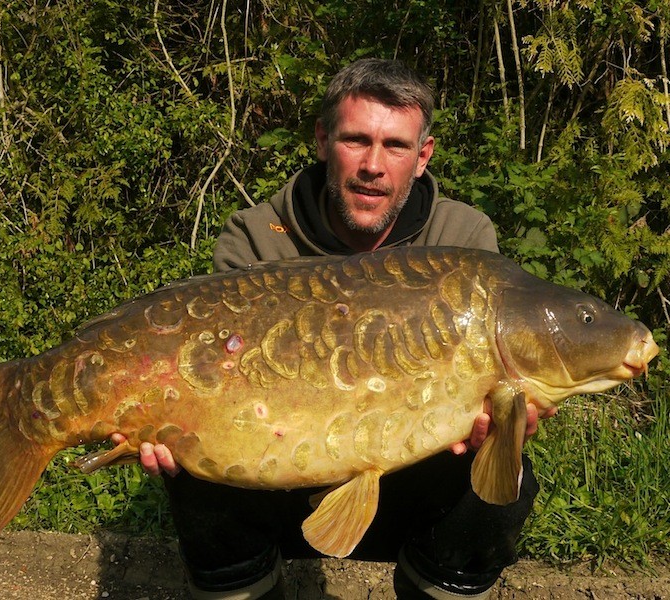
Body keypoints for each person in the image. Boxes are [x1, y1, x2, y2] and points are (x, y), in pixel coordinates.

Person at [130, 58, 555, 600]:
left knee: (505, 487)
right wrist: (160, 416)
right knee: (192, 475)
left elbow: (490, 396)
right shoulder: (259, 238)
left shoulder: (464, 239)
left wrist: (501, 423)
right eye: (356, 140)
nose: (373, 165)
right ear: (323, 140)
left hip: (412, 485)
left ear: (421, 157)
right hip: (275, 476)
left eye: (396, 147)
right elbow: (213, 377)